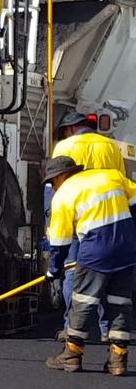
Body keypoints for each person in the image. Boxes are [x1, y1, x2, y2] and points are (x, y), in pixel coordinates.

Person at [43, 156, 136, 376]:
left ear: (61, 176)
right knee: (120, 303)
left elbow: (59, 241)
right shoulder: (111, 175)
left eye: (51, 182)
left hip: (95, 251)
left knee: (83, 301)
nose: (52, 187)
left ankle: (72, 356)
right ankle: (118, 361)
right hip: (127, 249)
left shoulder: (64, 194)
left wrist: (53, 269)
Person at [46, 111, 126, 342]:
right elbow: (121, 179)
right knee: (107, 275)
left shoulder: (64, 146)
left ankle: (72, 328)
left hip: (77, 215)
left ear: (70, 129)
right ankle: (106, 330)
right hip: (109, 218)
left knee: (73, 272)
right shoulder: (110, 146)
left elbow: (57, 184)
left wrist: (53, 222)